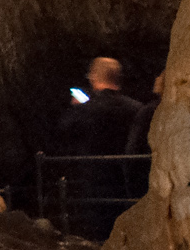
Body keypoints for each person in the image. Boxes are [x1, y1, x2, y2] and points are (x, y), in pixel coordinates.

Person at [54, 57, 143, 237]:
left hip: (93, 182)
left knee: (96, 234)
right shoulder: (137, 109)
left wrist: (76, 107)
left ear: (94, 77)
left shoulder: (86, 110)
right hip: (128, 182)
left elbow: (63, 132)